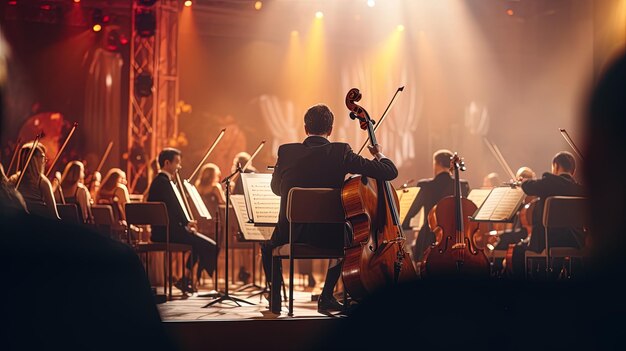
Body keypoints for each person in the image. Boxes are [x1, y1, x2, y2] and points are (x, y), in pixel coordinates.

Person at [263, 103, 399, 313]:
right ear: (331, 130)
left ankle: (276, 301)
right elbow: (389, 172)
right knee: (349, 236)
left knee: (267, 246)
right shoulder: (341, 152)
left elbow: (276, 190)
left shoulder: (286, 151)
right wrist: (378, 153)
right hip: (331, 236)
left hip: (291, 234)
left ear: (306, 128)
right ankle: (326, 296)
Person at [147, 148, 218, 293]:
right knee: (210, 246)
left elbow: (171, 209)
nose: (179, 166)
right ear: (167, 163)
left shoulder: (159, 182)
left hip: (164, 231)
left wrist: (185, 224)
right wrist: (186, 223)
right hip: (166, 233)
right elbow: (174, 207)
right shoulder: (164, 183)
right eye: (177, 163)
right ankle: (188, 279)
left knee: (201, 244)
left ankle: (187, 279)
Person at [509, 151, 585, 278]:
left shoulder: (549, 183)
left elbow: (528, 187)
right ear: (574, 170)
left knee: (517, 251)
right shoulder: (580, 190)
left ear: (555, 166)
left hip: (548, 241)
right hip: (575, 241)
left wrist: (523, 181)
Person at [402, 149, 470, 263]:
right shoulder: (462, 185)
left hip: (429, 235)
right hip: (456, 236)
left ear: (436, 164)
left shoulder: (425, 185)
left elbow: (413, 211)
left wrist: (403, 223)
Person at [8, 141, 59, 219]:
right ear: (34, 160)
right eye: (42, 157)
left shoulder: (13, 179)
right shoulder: (42, 182)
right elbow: (54, 216)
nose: (44, 161)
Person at [96, 168, 131, 237]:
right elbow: (126, 207)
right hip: (117, 223)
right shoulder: (120, 189)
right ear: (119, 179)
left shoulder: (100, 190)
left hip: (101, 224)